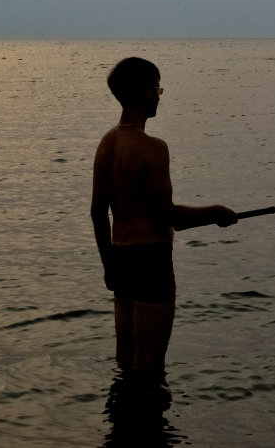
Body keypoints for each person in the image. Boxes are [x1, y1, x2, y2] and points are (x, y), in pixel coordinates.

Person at [91, 57, 237, 377]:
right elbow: (167, 215)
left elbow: (97, 212)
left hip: (122, 259)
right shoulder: (153, 147)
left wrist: (108, 265)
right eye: (157, 88)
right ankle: (149, 425)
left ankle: (122, 423)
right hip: (152, 261)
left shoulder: (107, 144)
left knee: (126, 360)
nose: (159, 95)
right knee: (150, 367)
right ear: (145, 92)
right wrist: (216, 213)